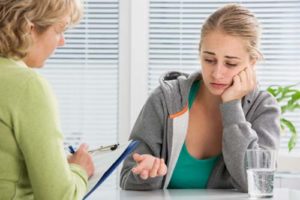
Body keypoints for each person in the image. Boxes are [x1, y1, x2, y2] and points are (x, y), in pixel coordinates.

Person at [120, 4, 280, 192]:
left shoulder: (263, 108)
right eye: (209, 60)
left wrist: (231, 105)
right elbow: (126, 178)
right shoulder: (165, 100)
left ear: (252, 62)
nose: (217, 73)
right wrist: (146, 175)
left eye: (230, 63)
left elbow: (258, 185)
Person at [0, 0, 95, 199]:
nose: (62, 42)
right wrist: (79, 169)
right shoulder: (27, 86)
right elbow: (59, 196)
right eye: (59, 30)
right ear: (29, 28)